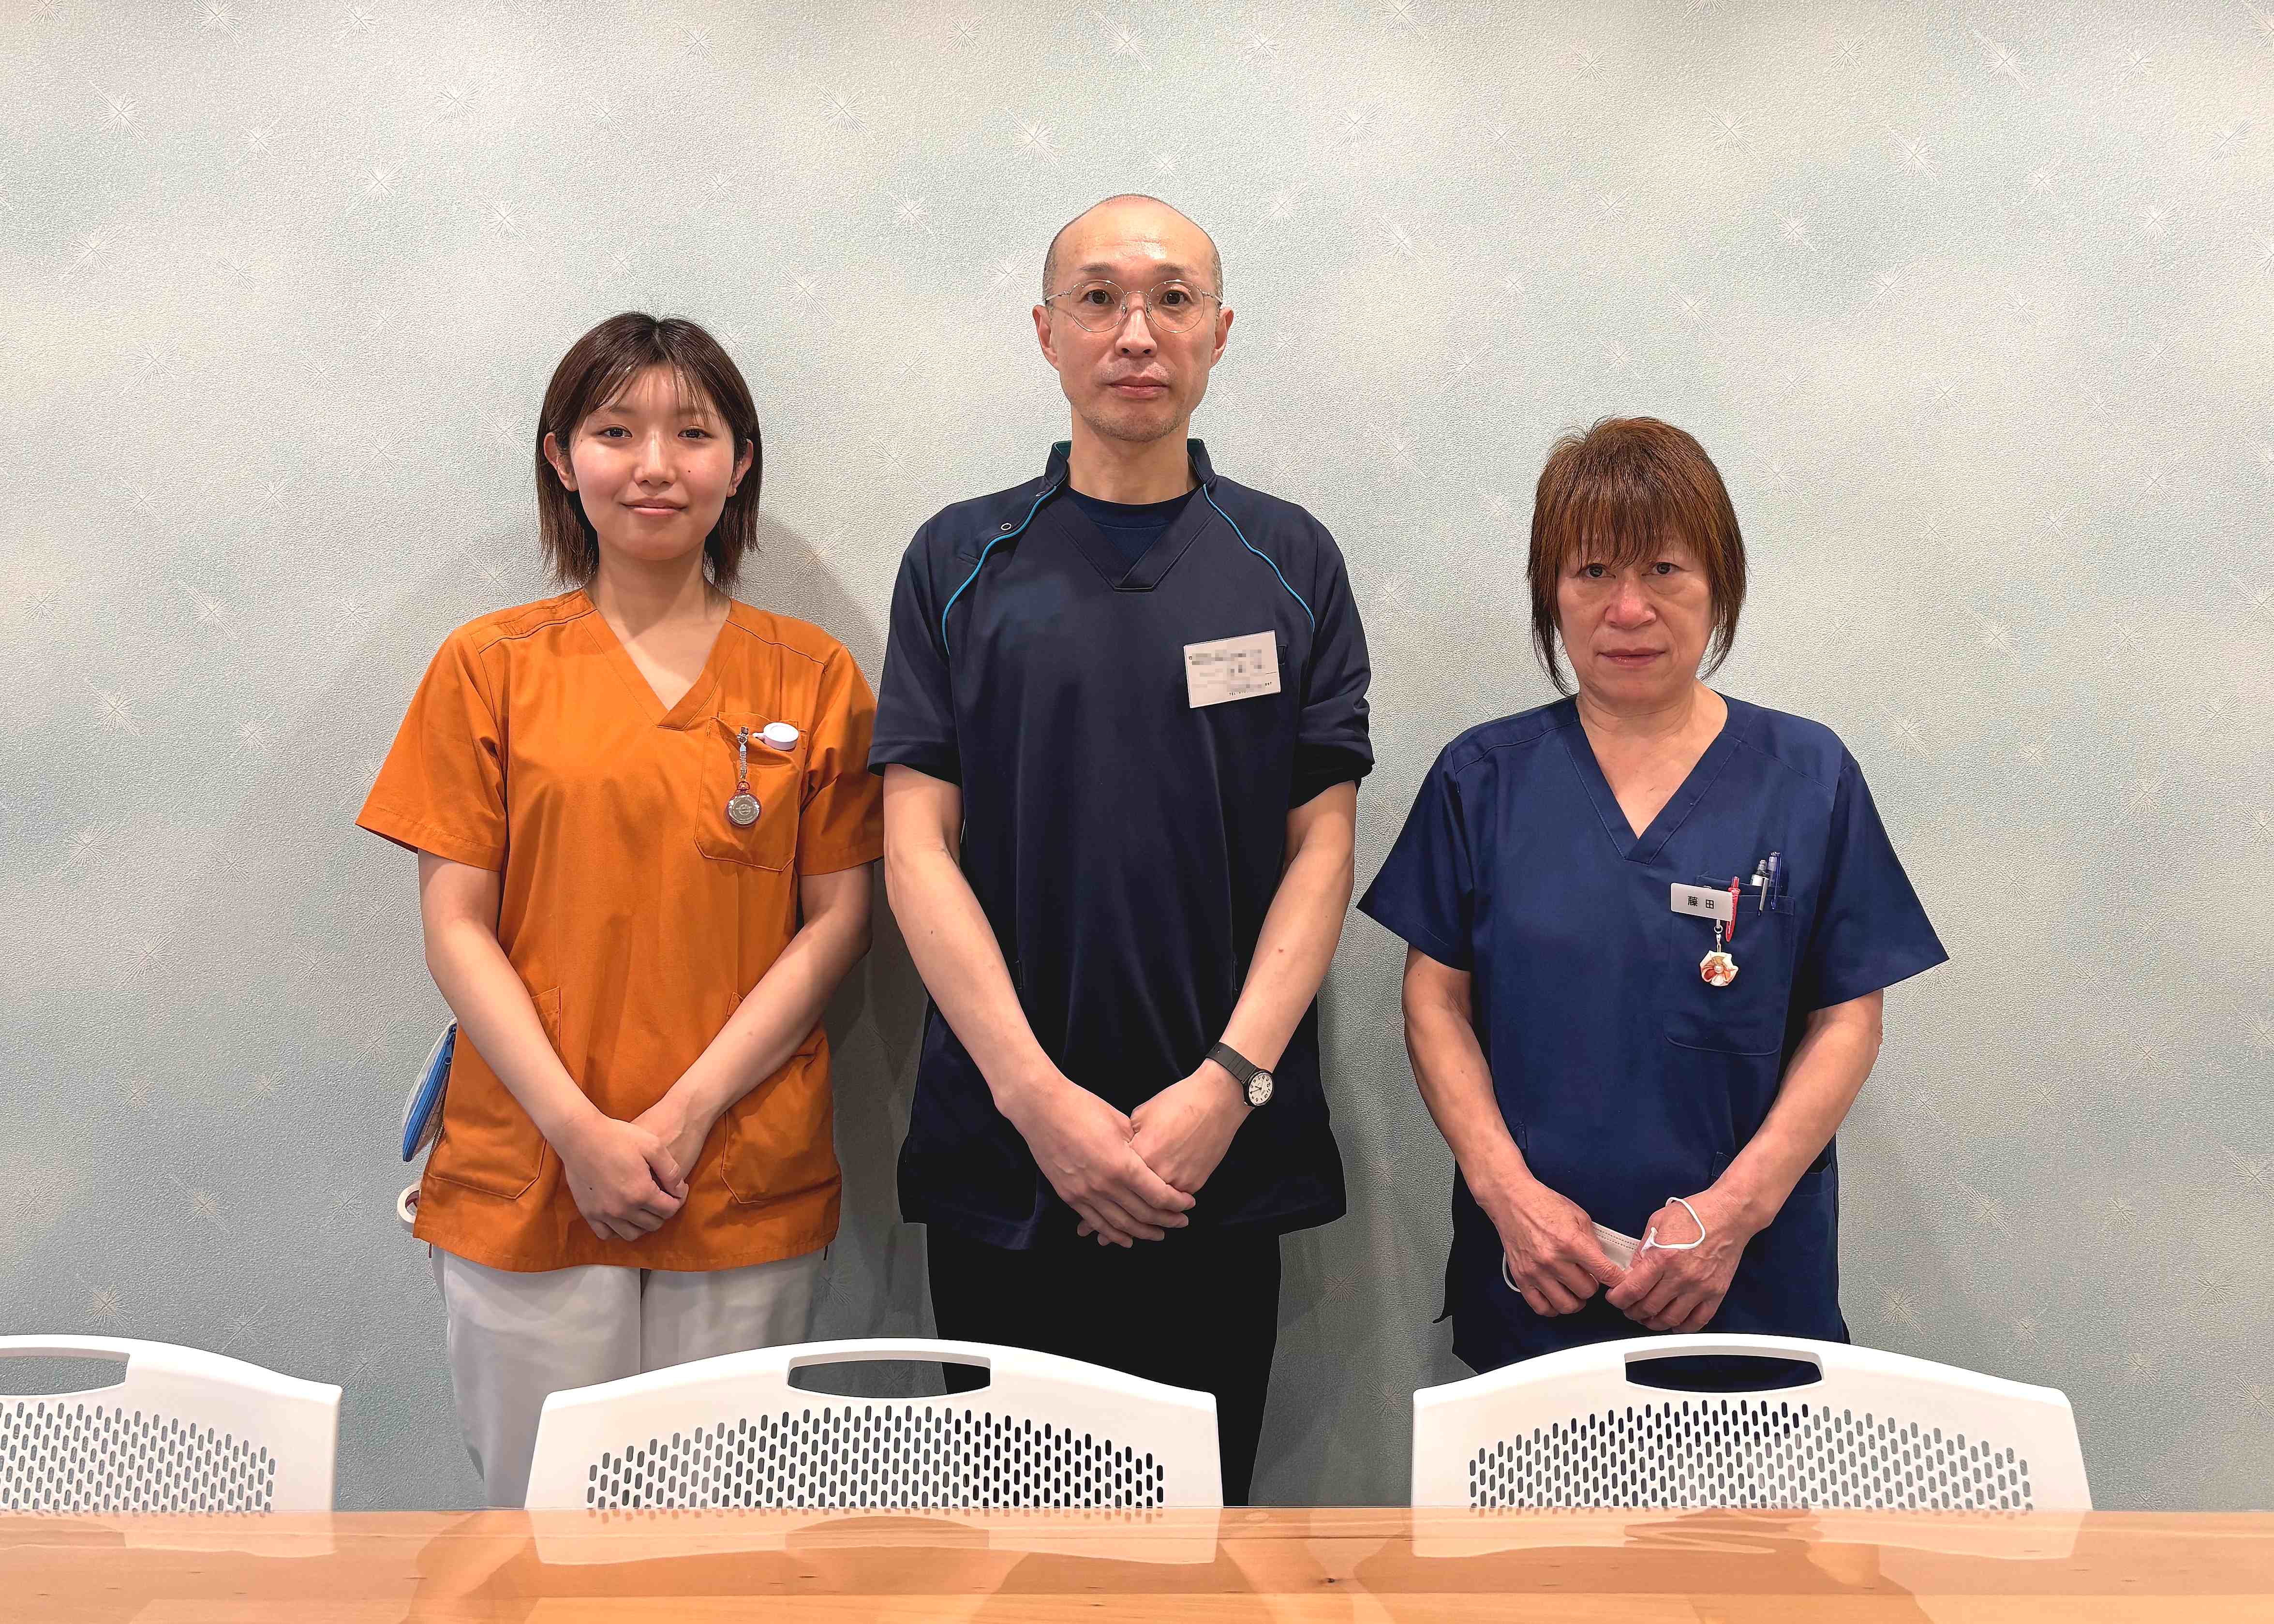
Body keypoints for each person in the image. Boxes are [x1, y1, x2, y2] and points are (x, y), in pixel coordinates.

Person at [868, 194, 1372, 1502]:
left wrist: (1224, 1086)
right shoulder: (956, 558)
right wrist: (1034, 1099)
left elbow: (1321, 849)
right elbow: (913, 846)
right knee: (1012, 1547)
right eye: (1097, 298)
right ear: (1046, 332)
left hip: (1216, 1151)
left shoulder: (1290, 559)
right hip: (1007, 1153)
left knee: (1198, 1538)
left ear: (1219, 332)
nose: (1134, 332)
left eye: (1170, 299)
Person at [357, 313, 882, 1505]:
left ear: (739, 463)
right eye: (614, 432)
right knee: (542, 1526)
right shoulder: (487, 666)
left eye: (692, 433)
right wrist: (579, 1131)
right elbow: (455, 927)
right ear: (561, 458)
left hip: (737, 1161)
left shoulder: (812, 675)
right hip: (531, 1160)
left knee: (723, 1525)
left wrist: (685, 1117)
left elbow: (838, 923)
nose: (654, 465)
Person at [1358, 416, 1946, 1377]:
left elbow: (1848, 1015)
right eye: (1591, 572)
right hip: (1538, 1274)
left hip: (1746, 1280)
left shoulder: (1807, 775)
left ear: (1719, 582)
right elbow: (1433, 999)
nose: (1626, 609)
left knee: (1749, 1482)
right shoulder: (1482, 778)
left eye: (1663, 570)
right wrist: (1507, 1194)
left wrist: (1731, 1215)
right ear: (1549, 591)